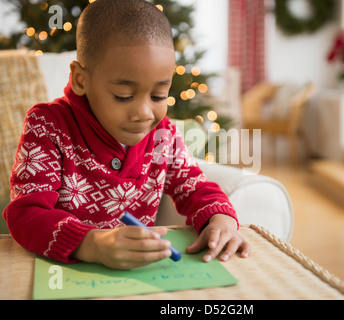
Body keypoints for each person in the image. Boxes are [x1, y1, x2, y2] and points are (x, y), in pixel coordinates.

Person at [3, 0, 249, 270]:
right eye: (124, 96)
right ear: (81, 79)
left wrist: (221, 219)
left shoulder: (161, 134)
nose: (144, 112)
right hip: (61, 274)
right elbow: (26, 214)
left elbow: (195, 187)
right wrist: (92, 244)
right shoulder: (48, 124)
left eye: (158, 95)